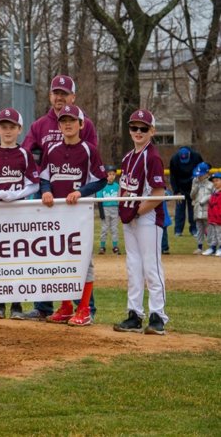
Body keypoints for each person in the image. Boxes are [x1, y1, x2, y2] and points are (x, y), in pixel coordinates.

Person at [21, 75, 98, 320]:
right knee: (51, 253)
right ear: (50, 96)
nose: (59, 97)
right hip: (51, 202)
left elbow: (92, 164)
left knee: (80, 254)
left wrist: (82, 191)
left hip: (78, 204)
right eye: (56, 92)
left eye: (64, 93)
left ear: (73, 97)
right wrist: (43, 186)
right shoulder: (40, 125)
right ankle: (49, 306)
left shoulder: (86, 127)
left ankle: (86, 308)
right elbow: (26, 154)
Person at [39, 105, 106, 326]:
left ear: (81, 124)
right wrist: (46, 190)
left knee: (83, 260)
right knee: (59, 259)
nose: (67, 124)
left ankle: (84, 309)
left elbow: (101, 179)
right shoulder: (52, 149)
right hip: (57, 213)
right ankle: (66, 306)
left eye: (72, 120)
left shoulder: (89, 149)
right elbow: (44, 176)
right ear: (59, 126)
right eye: (63, 121)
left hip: (79, 213)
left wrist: (81, 191)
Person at [0, 108, 40, 319]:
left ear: (19, 129)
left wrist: (16, 194)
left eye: (12, 127)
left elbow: (34, 184)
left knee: (17, 257)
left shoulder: (24, 154)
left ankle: (17, 305)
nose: (7, 131)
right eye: (3, 127)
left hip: (18, 213)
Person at [113, 109, 168, 335]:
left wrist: (136, 212)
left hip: (148, 218)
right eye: (134, 127)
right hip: (131, 218)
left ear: (152, 131)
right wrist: (123, 210)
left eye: (143, 128)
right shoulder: (128, 157)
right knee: (133, 267)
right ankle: (134, 314)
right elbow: (123, 187)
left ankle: (158, 316)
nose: (138, 131)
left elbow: (158, 194)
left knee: (151, 267)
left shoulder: (152, 157)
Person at [169, 146, 204, 237]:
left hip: (193, 186)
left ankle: (194, 230)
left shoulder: (196, 157)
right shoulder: (174, 159)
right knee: (179, 210)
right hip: (180, 188)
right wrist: (176, 191)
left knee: (193, 209)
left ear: (189, 154)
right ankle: (178, 230)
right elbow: (173, 177)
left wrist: (198, 188)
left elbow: (202, 172)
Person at [96, 165, 121, 255]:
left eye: (113, 174)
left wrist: (120, 211)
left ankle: (115, 247)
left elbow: (120, 199)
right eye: (109, 174)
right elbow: (98, 199)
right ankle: (102, 247)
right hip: (105, 209)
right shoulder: (101, 185)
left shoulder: (117, 186)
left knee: (114, 229)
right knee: (104, 229)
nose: (111, 176)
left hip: (115, 209)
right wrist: (101, 212)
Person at [190, 162, 213, 255]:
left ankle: (212, 247)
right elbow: (192, 196)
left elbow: (214, 196)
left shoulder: (211, 184)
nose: (199, 177)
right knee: (199, 229)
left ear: (207, 174)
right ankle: (199, 247)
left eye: (201, 175)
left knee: (209, 229)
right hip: (197, 209)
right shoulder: (195, 182)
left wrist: (206, 199)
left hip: (207, 210)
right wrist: (196, 187)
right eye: (198, 175)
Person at [206, 172, 221, 257]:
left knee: (219, 234)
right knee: (213, 234)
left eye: (217, 180)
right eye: (213, 181)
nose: (215, 182)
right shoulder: (214, 192)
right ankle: (212, 248)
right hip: (212, 218)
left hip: (219, 218)